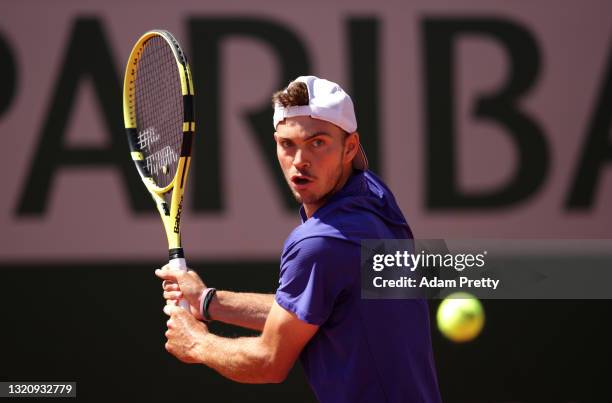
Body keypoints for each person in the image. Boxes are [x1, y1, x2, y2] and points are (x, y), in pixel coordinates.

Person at [156, 76, 442, 402]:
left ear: (350, 147)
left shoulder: (319, 243)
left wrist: (196, 343)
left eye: (317, 143)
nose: (299, 161)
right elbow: (311, 311)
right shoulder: (373, 196)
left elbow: (269, 362)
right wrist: (208, 301)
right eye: (287, 144)